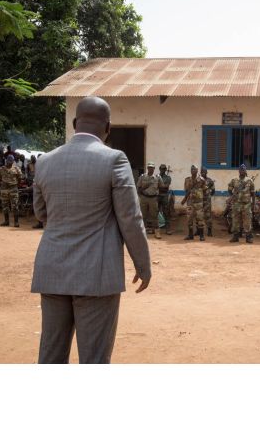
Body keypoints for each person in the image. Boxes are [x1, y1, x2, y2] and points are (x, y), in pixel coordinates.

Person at [31, 96, 151, 364]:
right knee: (94, 360)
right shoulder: (114, 160)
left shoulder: (45, 161)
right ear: (108, 128)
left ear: (75, 123)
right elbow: (130, 218)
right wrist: (143, 265)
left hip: (51, 269)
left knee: (50, 355)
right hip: (96, 276)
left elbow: (41, 213)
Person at [228, 164, 255, 243]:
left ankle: (248, 237)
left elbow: (253, 193)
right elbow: (229, 189)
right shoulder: (234, 180)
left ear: (246, 171)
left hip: (246, 204)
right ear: (239, 171)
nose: (242, 171)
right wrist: (233, 195)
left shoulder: (249, 180)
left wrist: (253, 204)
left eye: (244, 170)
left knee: (247, 221)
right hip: (236, 204)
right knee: (235, 221)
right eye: (241, 169)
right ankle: (235, 236)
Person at [181, 164, 207, 241]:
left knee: (200, 219)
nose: (193, 171)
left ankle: (201, 236)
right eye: (192, 169)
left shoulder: (201, 179)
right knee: (189, 219)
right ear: (190, 171)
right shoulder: (187, 180)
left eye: (194, 169)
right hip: (190, 202)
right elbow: (186, 190)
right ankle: (190, 235)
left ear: (197, 170)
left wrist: (204, 201)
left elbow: (205, 190)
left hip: (199, 202)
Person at [136, 162, 162, 239]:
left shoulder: (157, 177)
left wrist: (158, 196)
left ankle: (157, 232)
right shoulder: (142, 177)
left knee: (154, 215)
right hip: (144, 198)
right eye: (149, 167)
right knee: (143, 215)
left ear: (154, 169)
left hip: (153, 198)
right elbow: (138, 188)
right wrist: (141, 195)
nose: (150, 169)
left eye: (152, 167)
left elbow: (162, 187)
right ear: (147, 168)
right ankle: (142, 232)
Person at [0, 154, 22, 227]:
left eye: (11, 161)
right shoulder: (1, 169)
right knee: (5, 205)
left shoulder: (16, 168)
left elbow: (20, 177)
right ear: (6, 161)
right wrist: (1, 183)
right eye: (8, 161)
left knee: (15, 206)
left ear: (13, 161)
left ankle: (16, 222)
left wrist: (16, 184)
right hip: (4, 189)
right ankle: (6, 221)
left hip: (13, 188)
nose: (10, 163)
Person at [200, 166, 215, 237]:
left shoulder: (210, 180)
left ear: (206, 173)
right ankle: (198, 230)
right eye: (202, 172)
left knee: (208, 216)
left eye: (204, 172)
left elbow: (213, 190)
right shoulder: (198, 180)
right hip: (199, 200)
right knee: (198, 216)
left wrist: (208, 195)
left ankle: (209, 231)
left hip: (207, 201)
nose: (203, 173)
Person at [158, 163, 172, 235]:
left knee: (166, 212)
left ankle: (168, 229)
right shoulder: (156, 177)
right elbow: (155, 186)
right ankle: (155, 229)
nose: (162, 170)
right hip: (157, 196)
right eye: (161, 168)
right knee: (155, 212)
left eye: (164, 169)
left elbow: (166, 187)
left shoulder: (168, 178)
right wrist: (162, 186)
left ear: (165, 169)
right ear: (159, 169)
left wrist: (160, 186)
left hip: (164, 196)